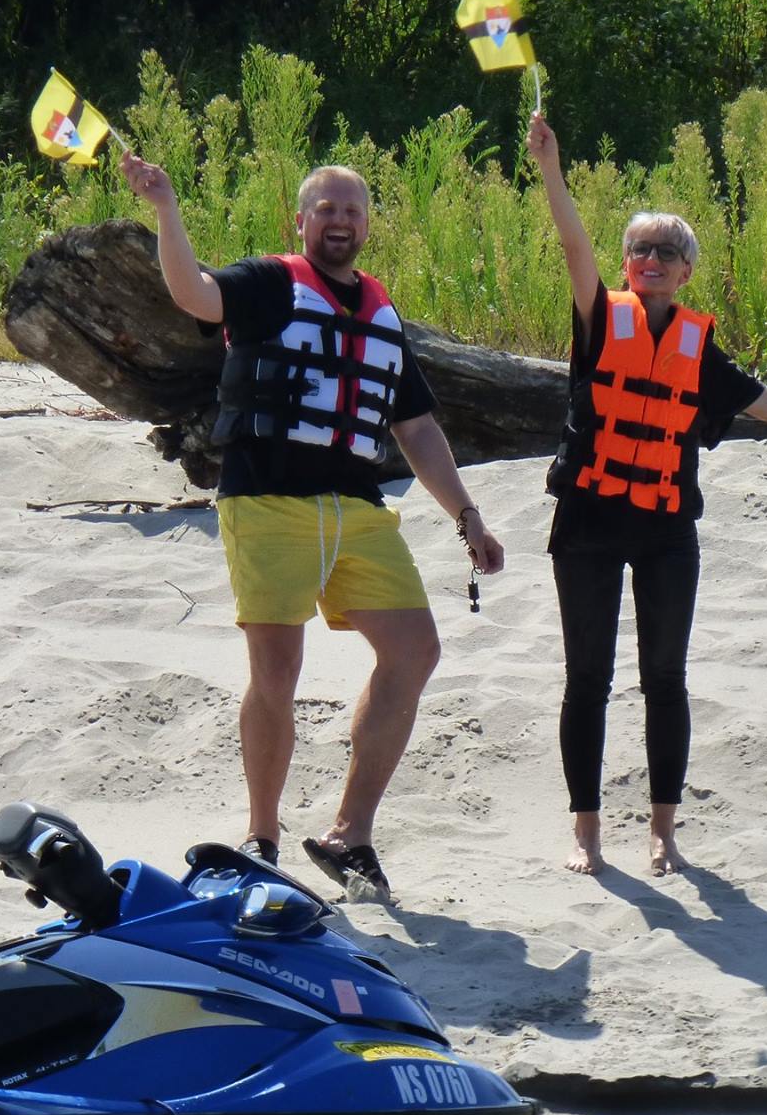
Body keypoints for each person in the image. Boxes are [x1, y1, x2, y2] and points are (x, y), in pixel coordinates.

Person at [120, 151, 505, 903]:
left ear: (368, 225)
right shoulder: (268, 284)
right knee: (278, 669)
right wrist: (167, 209)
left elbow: (417, 428)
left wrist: (467, 515)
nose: (340, 221)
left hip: (356, 506)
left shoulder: (381, 313)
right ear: (300, 222)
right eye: (325, 209)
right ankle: (262, 836)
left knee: (414, 650)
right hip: (267, 499)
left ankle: (349, 837)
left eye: (353, 210)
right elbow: (194, 295)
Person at [524, 113, 767, 877]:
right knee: (587, 679)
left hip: (665, 528)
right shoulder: (600, 320)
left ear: (687, 270)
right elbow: (571, 244)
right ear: (626, 265)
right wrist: (551, 172)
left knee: (665, 677)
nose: (651, 258)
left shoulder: (700, 354)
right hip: (590, 521)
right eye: (640, 249)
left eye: (668, 250)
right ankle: (587, 832)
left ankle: (664, 830)